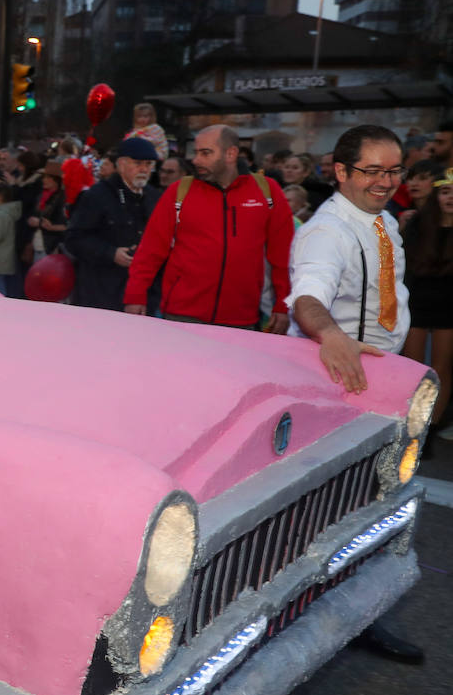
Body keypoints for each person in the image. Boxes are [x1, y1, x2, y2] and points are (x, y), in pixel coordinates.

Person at [287, 124, 423, 663]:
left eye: (394, 170)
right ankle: (313, 619)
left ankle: (357, 610)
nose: (385, 182)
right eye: (371, 171)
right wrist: (331, 334)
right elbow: (308, 297)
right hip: (344, 384)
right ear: (340, 171)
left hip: (383, 379)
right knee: (337, 511)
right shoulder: (328, 232)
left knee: (374, 506)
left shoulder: (384, 220)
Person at [124, 125, 293, 331]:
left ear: (230, 154)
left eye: (206, 153)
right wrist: (135, 295)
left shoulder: (267, 191)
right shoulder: (179, 192)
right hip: (182, 315)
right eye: (196, 153)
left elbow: (284, 256)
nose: (196, 160)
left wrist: (283, 305)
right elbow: (151, 250)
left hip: (241, 318)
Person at [65, 137, 160, 310]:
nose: (144, 169)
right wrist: (111, 253)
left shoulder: (154, 197)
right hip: (101, 292)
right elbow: (74, 238)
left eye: (149, 164)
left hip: (143, 292)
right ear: (121, 164)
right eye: (138, 163)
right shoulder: (97, 195)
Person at [400, 166, 453, 436]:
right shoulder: (419, 224)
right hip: (417, 303)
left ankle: (430, 428)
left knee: (442, 369)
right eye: (445, 191)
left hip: (449, 308)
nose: (450, 198)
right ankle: (411, 423)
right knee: (414, 368)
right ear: (437, 195)